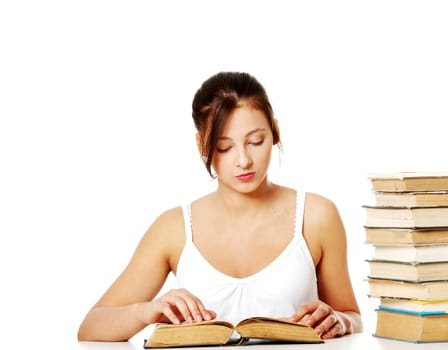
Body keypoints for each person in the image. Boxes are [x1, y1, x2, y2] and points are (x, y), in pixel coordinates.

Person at [77, 71, 362, 342]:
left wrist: (341, 320)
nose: (244, 160)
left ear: (274, 132)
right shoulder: (173, 228)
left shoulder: (316, 216)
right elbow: (91, 327)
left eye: (255, 141)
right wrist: (147, 311)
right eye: (225, 147)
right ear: (202, 144)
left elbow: (352, 316)